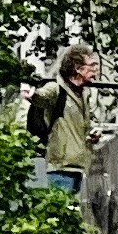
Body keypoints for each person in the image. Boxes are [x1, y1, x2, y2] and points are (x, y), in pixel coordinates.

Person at [39, 45, 99, 204]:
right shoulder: (56, 90)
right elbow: (39, 97)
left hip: (79, 167)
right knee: (59, 212)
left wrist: (92, 133)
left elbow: (82, 124)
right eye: (91, 65)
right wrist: (27, 89)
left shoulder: (83, 93)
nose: (95, 70)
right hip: (60, 168)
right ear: (78, 69)